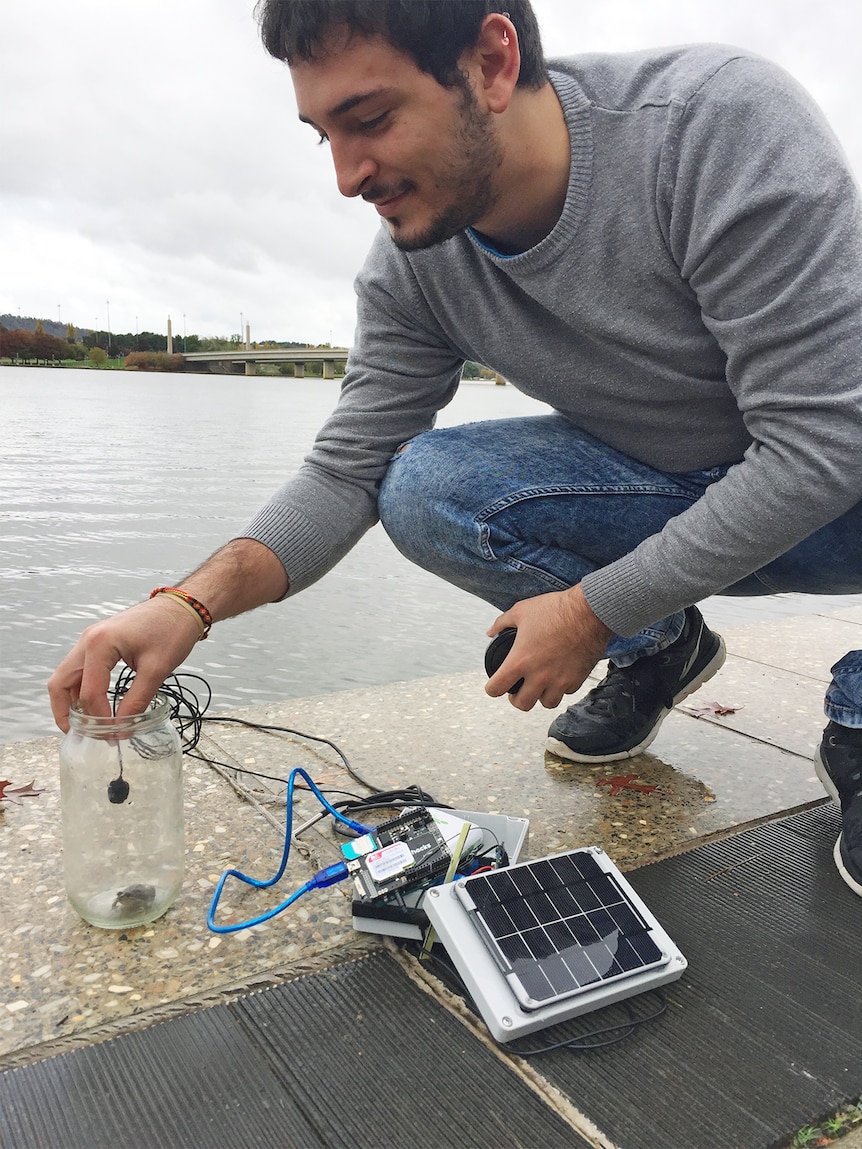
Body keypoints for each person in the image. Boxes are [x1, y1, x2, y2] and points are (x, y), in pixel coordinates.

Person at [48, 1, 862, 895]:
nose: (349, 177)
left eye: (370, 119)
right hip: (680, 476)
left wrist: (590, 610)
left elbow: (823, 442)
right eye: (325, 136)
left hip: (843, 481)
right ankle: (660, 646)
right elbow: (346, 469)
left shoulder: (715, 126)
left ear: (491, 61)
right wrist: (186, 606)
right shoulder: (416, 257)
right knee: (424, 486)